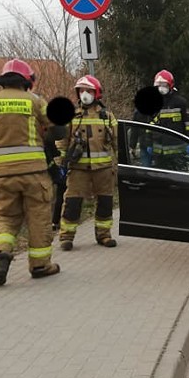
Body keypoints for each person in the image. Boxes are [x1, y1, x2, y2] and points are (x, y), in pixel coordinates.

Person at [0, 58, 64, 285]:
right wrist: (45, 136)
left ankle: (1, 252)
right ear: (27, 81)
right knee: (38, 216)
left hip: (1, 173)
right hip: (34, 173)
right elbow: (59, 131)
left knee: (4, 216)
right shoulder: (35, 101)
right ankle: (40, 265)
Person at [57, 75, 119, 251]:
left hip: (104, 169)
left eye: (88, 90)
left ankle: (104, 235)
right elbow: (61, 142)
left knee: (106, 202)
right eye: (81, 90)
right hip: (78, 170)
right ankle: (66, 237)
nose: (85, 94)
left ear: (96, 93)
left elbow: (117, 142)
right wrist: (60, 164)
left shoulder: (107, 116)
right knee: (72, 203)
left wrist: (122, 165)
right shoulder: (71, 116)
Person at [150, 69, 189, 168]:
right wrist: (148, 143)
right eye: (158, 85)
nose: (161, 88)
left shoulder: (181, 102)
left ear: (170, 85)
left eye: (164, 85)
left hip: (177, 152)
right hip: (159, 153)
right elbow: (149, 125)